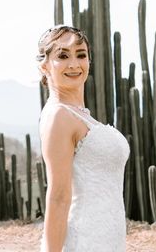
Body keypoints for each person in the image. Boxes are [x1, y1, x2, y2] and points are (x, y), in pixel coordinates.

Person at [37, 25, 130, 252]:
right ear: (45, 65)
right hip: (84, 242)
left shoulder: (78, 115)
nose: (74, 64)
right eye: (63, 56)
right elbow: (58, 197)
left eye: (81, 55)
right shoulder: (60, 116)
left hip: (107, 240)